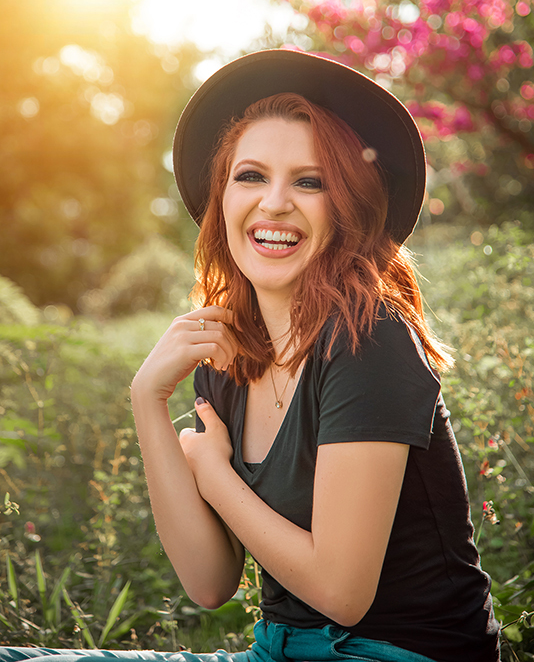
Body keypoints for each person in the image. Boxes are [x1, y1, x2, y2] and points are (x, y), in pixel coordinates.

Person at [1, 50, 500, 662]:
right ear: (222, 200)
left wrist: (213, 474)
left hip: (394, 654)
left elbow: (342, 593)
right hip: (274, 652)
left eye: (309, 182)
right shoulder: (226, 354)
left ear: (346, 210)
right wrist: (146, 400)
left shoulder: (369, 338)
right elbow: (209, 582)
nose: (274, 204)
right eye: (251, 176)